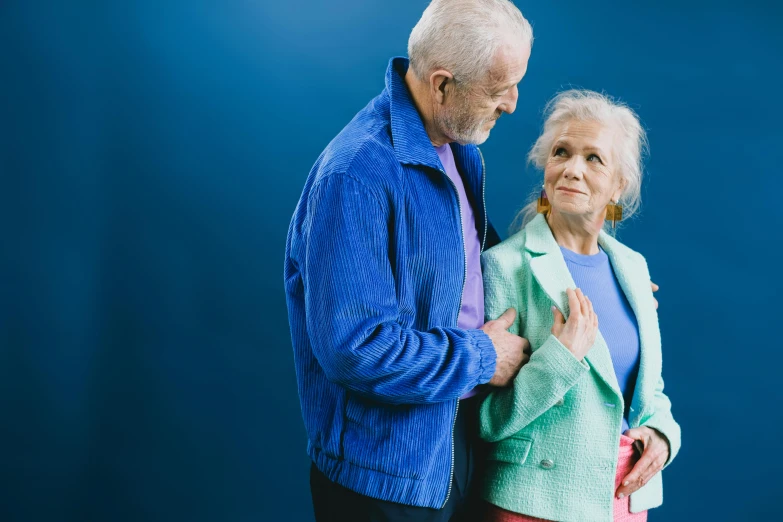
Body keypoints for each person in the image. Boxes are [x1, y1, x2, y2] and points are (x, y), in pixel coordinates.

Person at [284, 1, 534, 520]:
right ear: (442, 84)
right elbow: (357, 350)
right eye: (498, 89)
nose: (512, 104)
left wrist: (602, 283)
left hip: (456, 440)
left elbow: (478, 272)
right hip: (385, 480)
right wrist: (486, 358)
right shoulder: (355, 176)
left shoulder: (459, 145)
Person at [478, 90, 681, 522]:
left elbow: (651, 394)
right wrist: (560, 359)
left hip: (622, 505)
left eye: (594, 158)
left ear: (618, 184)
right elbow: (482, 422)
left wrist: (664, 436)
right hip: (531, 504)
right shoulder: (503, 267)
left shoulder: (633, 269)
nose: (572, 169)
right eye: (561, 152)